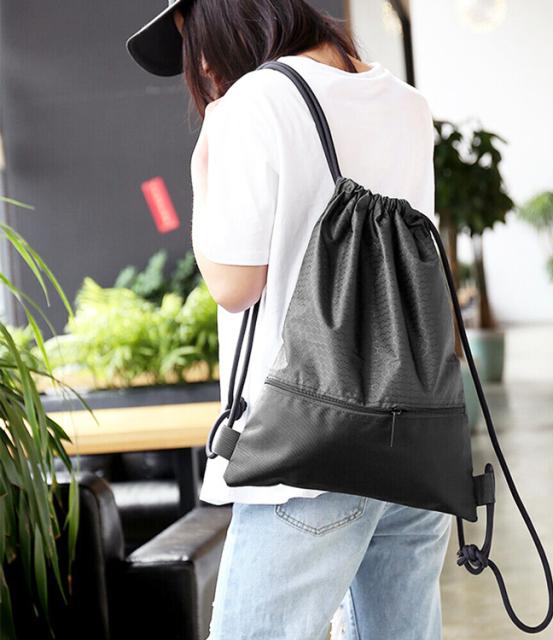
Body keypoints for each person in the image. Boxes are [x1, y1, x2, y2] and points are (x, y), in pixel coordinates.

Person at [126, 1, 452, 638]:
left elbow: (233, 285)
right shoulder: (405, 102)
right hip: (415, 440)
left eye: (194, 42)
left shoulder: (257, 100)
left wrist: (201, 172)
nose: (202, 66)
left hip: (307, 451)